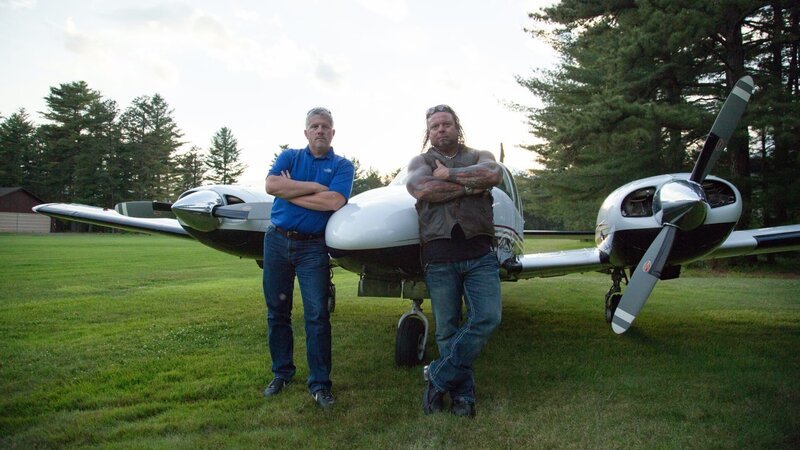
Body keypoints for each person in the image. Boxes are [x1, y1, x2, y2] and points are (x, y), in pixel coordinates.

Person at [405, 104, 503, 418]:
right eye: (435, 126)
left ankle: (437, 376)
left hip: (479, 253)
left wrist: (450, 175)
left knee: (487, 317)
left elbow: (492, 174)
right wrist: (470, 186)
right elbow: (421, 188)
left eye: (446, 124)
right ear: (428, 132)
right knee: (446, 329)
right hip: (439, 254)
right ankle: (463, 396)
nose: (441, 129)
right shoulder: (420, 162)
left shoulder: (479, 154)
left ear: (456, 127)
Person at [262, 107, 355, 409]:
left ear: (332, 132)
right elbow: (272, 186)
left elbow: (334, 201)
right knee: (277, 311)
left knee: (317, 316)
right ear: (306, 132)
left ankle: (320, 384)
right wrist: (315, 187)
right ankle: (282, 373)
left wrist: (291, 192)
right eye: (314, 126)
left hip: (313, 247)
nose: (319, 130)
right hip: (277, 241)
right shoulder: (289, 157)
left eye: (325, 126)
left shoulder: (342, 166)